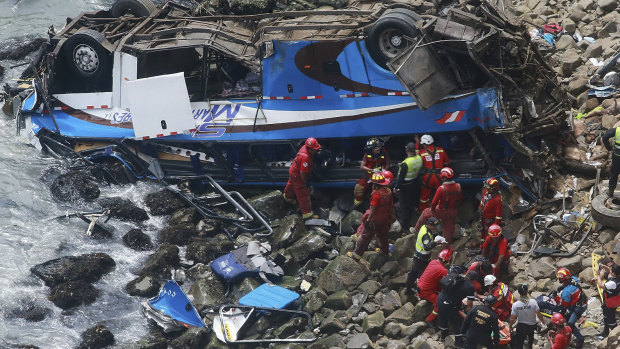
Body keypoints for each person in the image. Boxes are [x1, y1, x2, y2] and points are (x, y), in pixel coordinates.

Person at [348, 172, 395, 260]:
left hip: (375, 220)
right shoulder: (388, 192)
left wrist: (368, 221)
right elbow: (390, 206)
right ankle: (385, 252)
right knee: (383, 237)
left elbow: (373, 209)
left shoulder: (376, 194)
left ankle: (356, 255)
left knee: (365, 237)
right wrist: (392, 216)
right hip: (385, 219)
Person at [404, 217, 446, 295]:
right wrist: (436, 242)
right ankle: (421, 292)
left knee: (413, 272)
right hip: (422, 258)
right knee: (422, 275)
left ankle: (409, 288)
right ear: (429, 225)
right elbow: (427, 247)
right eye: (434, 226)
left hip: (418, 255)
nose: (435, 228)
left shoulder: (423, 227)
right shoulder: (426, 234)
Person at [283, 137, 321, 219]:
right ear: (310, 149)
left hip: (293, 170)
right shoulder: (305, 158)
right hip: (298, 174)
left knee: (292, 184)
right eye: (315, 149)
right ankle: (307, 213)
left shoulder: (304, 148)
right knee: (303, 193)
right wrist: (305, 182)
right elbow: (303, 173)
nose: (316, 151)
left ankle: (287, 196)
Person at [436, 270, 476, 344]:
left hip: (440, 299)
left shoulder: (456, 278)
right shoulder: (470, 286)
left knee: (443, 319)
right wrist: (470, 316)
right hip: (449, 305)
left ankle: (443, 336)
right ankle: (458, 342)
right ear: (473, 279)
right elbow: (469, 305)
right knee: (458, 323)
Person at [417, 249, 451, 323]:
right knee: (441, 303)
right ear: (446, 260)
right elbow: (445, 284)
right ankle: (429, 320)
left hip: (419, 286)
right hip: (425, 291)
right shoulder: (444, 271)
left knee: (438, 291)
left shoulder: (433, 262)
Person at [353, 137, 390, 206]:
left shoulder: (384, 152)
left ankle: (380, 205)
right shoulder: (367, 154)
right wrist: (372, 170)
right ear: (371, 149)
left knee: (380, 191)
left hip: (381, 175)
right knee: (359, 188)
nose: (378, 151)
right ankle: (358, 204)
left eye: (379, 148)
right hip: (369, 175)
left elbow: (387, 164)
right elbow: (362, 166)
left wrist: (383, 171)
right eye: (376, 149)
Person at [554, 267, 586, 348]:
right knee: (567, 317)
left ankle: (580, 339)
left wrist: (556, 297)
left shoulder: (566, 292)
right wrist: (563, 287)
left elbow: (564, 303)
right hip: (582, 301)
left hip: (578, 307)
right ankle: (568, 335)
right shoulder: (574, 279)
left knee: (570, 323)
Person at [418, 134, 450, 211]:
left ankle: (423, 212)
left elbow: (419, 166)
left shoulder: (421, 153)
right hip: (440, 177)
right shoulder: (441, 150)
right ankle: (441, 210)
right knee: (441, 195)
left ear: (425, 144)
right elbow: (447, 163)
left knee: (424, 197)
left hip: (427, 178)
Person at [395, 142, 422, 230]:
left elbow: (400, 178)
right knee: (411, 204)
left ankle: (404, 226)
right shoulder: (419, 158)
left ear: (407, 150)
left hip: (405, 187)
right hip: (414, 184)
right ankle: (410, 221)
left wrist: (396, 188)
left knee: (404, 206)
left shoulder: (405, 163)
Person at [509, 284, 545, 349]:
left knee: (520, 342)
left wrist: (510, 326)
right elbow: (539, 315)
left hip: (521, 326)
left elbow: (512, 318)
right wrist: (543, 322)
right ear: (527, 291)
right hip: (532, 326)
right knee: (530, 342)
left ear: (519, 293)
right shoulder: (533, 302)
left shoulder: (515, 304)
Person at [596, 264, 620, 337]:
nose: (610, 270)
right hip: (611, 301)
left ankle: (616, 335)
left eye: (611, 269)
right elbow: (611, 271)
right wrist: (604, 267)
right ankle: (605, 332)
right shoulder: (617, 277)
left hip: (610, 303)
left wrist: (598, 275)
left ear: (613, 273)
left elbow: (600, 285)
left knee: (611, 319)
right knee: (606, 317)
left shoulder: (612, 283)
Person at [478, 177, 502, 243]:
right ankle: (482, 246)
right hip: (483, 217)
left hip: (490, 221)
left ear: (494, 188)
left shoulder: (497, 199)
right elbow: (482, 201)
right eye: (486, 187)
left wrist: (495, 226)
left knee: (488, 235)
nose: (487, 188)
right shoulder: (486, 192)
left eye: (488, 187)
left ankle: (487, 247)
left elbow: (498, 215)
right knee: (482, 233)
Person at [602, 127, 620, 197]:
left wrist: (609, 148)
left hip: (617, 156)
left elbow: (605, 137)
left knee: (614, 174)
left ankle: (610, 191)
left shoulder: (617, 130)